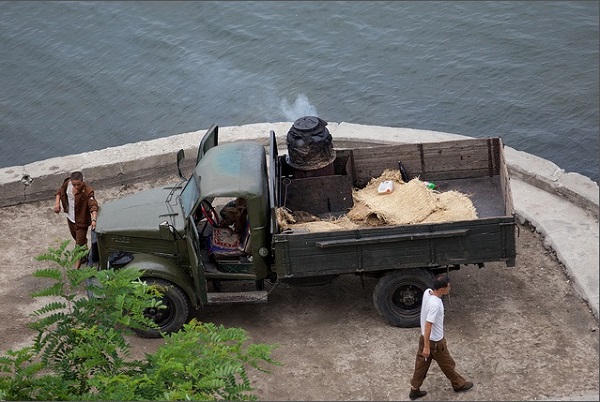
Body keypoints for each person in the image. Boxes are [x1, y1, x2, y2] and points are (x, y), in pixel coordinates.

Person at [409, 274, 473, 400]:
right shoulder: (436, 304)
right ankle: (458, 384)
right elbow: (428, 325)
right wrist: (428, 347)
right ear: (442, 289)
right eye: (448, 286)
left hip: (424, 339)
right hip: (436, 343)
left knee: (421, 367)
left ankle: (414, 389)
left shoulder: (428, 293)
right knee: (448, 364)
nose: (450, 288)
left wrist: (425, 345)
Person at [53, 171, 99, 268]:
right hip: (71, 218)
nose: (76, 187)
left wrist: (94, 219)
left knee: (78, 246)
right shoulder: (67, 184)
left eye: (79, 184)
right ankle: (86, 253)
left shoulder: (87, 191)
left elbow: (93, 205)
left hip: (81, 222)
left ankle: (75, 270)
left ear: (83, 181)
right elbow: (59, 192)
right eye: (74, 184)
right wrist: (57, 203)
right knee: (79, 240)